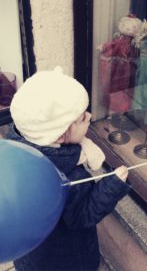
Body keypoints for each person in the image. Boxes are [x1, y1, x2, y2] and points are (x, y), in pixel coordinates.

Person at [7, 66, 130, 271]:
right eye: (82, 118)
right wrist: (112, 185)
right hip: (67, 259)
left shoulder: (19, 151)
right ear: (59, 135)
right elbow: (83, 215)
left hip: (30, 254)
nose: (90, 116)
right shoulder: (67, 176)